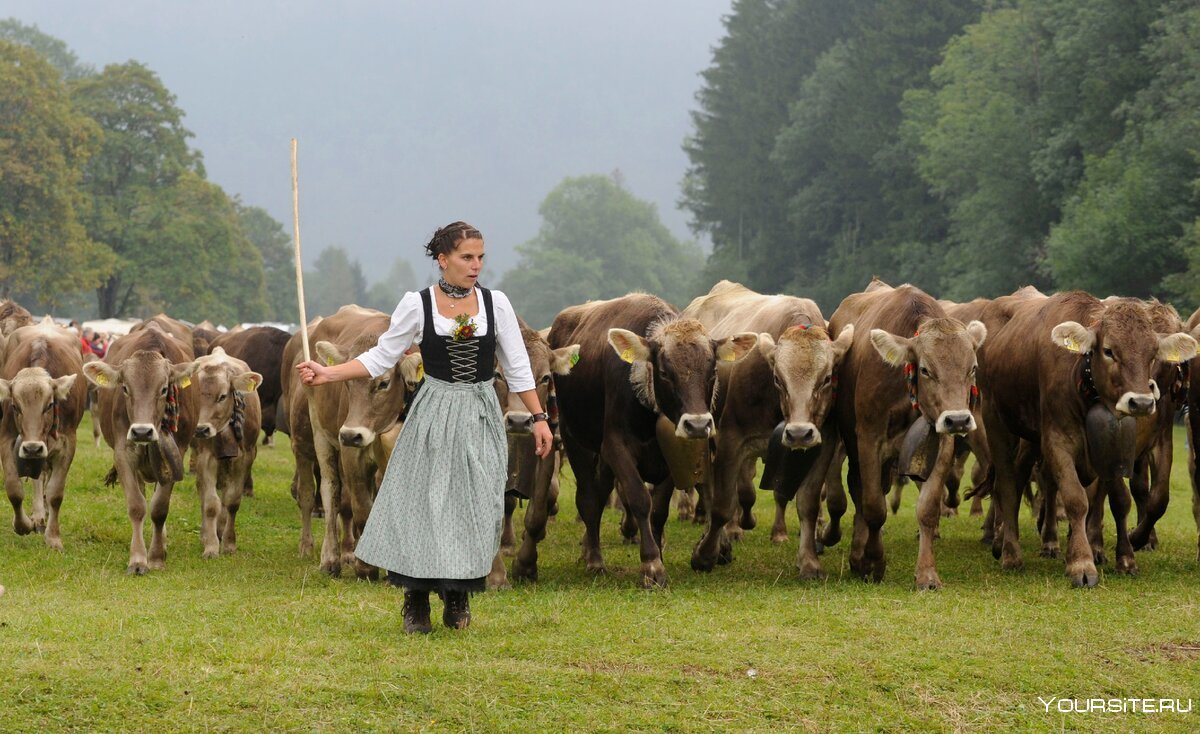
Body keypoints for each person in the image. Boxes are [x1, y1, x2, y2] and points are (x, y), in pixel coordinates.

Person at [296, 221, 552, 634]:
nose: (476, 266)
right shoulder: (418, 305)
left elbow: (518, 366)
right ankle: (415, 600)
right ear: (443, 259)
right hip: (434, 409)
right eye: (467, 257)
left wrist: (539, 418)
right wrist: (327, 374)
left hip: (480, 412)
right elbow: (381, 358)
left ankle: (458, 594)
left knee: (475, 503)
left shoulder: (495, 304)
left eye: (481, 257)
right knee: (424, 503)